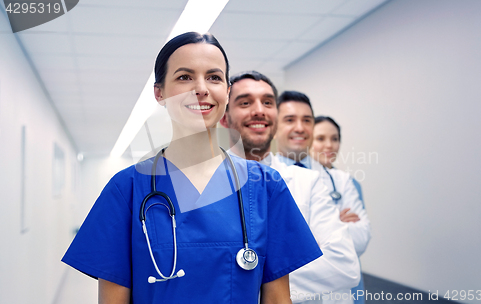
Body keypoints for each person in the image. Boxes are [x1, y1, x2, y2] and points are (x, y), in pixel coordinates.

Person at [62, 33, 323, 304]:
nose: (201, 88)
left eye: (214, 77)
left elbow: (278, 299)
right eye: (184, 77)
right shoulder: (126, 189)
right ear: (159, 93)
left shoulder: (266, 186)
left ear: (227, 91)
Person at [220, 71, 360, 304]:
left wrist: (249, 281)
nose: (259, 110)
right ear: (224, 118)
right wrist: (296, 258)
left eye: (267, 102)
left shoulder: (308, 182)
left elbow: (344, 265)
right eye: (245, 102)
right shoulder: (203, 187)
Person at [310, 116, 371, 304]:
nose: (329, 145)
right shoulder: (295, 181)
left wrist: (324, 227)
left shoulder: (350, 183)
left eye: (335, 139)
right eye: (320, 138)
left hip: (349, 287)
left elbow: (361, 238)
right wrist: (338, 222)